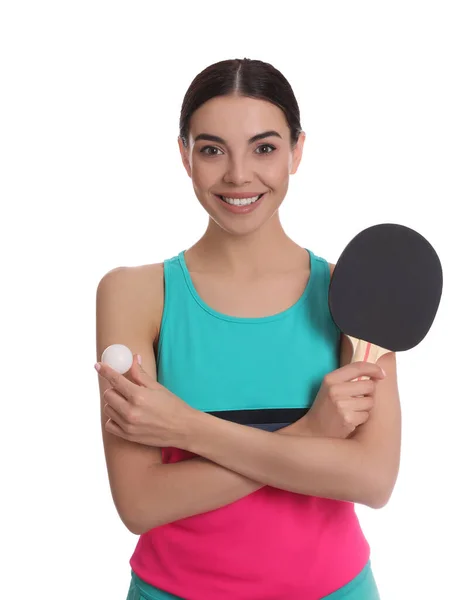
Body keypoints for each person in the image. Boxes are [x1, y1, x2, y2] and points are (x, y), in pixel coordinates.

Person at [95, 58, 401, 600]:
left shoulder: (354, 294)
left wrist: (187, 429)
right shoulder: (133, 294)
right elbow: (140, 503)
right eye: (212, 149)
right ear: (185, 155)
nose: (239, 175)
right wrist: (309, 437)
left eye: (264, 147)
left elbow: (372, 480)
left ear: (297, 151)